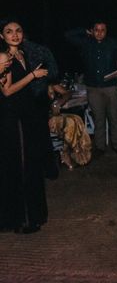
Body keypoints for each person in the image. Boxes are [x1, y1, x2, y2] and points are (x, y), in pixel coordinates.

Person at [0, 19, 51, 233]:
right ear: (2, 36)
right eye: (9, 31)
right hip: (13, 118)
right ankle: (21, 219)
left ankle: (33, 215)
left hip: (28, 115)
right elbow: (7, 91)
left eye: (18, 30)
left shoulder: (21, 54)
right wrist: (32, 76)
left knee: (31, 164)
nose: (14, 34)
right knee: (20, 165)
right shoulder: (3, 57)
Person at [65, 20, 117, 158]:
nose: (99, 32)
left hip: (111, 86)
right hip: (93, 87)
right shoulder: (86, 43)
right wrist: (83, 31)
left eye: (102, 30)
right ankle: (100, 147)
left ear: (106, 31)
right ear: (92, 30)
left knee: (114, 117)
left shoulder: (114, 43)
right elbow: (68, 35)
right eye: (96, 30)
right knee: (98, 118)